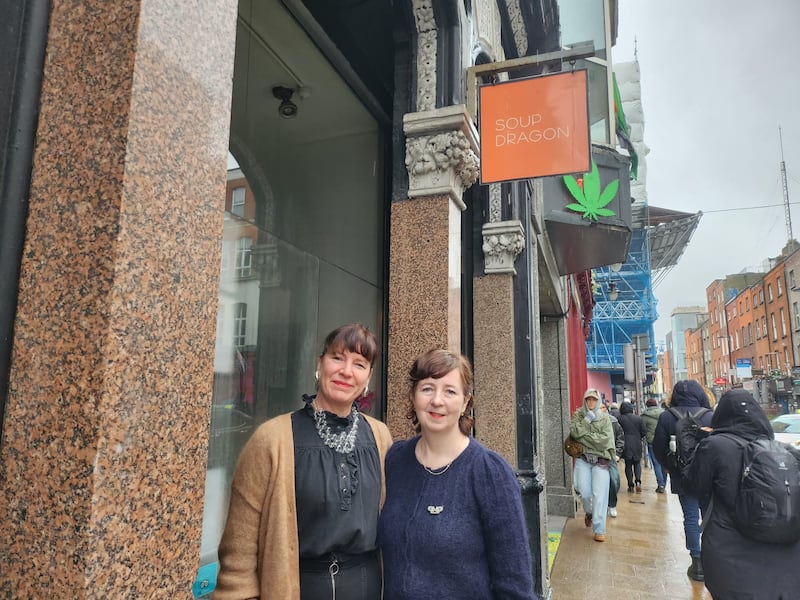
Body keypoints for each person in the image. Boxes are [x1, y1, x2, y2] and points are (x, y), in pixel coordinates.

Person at [215, 323, 394, 600]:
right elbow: (239, 546)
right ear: (319, 364)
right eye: (337, 358)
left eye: (359, 364)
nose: (346, 371)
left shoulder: (380, 437)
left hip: (367, 586)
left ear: (368, 376)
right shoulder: (272, 439)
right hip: (294, 588)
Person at [378, 349, 538, 600]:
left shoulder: (489, 472)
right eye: (427, 388)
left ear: (465, 402)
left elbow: (514, 585)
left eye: (450, 391)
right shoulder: (396, 459)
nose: (437, 400)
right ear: (413, 396)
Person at [686, 389, 800, 599]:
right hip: (786, 562)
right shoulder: (786, 451)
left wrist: (692, 442)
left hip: (730, 554)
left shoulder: (715, 446)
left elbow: (693, 486)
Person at [653, 379, 713, 582]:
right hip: (707, 476)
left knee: (690, 517)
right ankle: (710, 559)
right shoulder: (709, 416)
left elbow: (658, 449)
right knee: (708, 516)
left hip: (682, 476)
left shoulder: (666, 417)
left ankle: (696, 563)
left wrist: (670, 467)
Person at [569, 388, 616, 542]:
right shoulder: (578, 415)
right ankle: (589, 512)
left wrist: (585, 437)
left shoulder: (604, 418)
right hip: (583, 459)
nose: (591, 402)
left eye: (594, 400)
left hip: (600, 461)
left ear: (598, 401)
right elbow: (575, 434)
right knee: (584, 491)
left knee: (599, 496)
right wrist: (587, 420)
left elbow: (605, 440)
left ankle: (599, 529)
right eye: (588, 399)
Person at [600, 401, 624, 518]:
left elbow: (620, 438)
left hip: (610, 456)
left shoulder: (613, 421)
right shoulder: (590, 420)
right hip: (595, 456)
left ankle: (612, 504)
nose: (601, 409)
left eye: (603, 407)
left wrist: (618, 453)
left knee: (614, 480)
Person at [617, 401, 647, 493]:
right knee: (637, 463)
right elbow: (644, 431)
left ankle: (630, 485)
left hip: (625, 444)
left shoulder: (619, 419)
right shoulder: (638, 418)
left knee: (628, 465)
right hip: (637, 443)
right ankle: (638, 481)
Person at [641, 398, 667, 493]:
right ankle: (664, 483)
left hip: (652, 441)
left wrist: (647, 435)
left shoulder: (645, 415)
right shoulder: (663, 413)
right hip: (664, 440)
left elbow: (642, 429)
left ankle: (661, 485)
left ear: (647, 405)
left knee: (656, 463)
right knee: (664, 463)